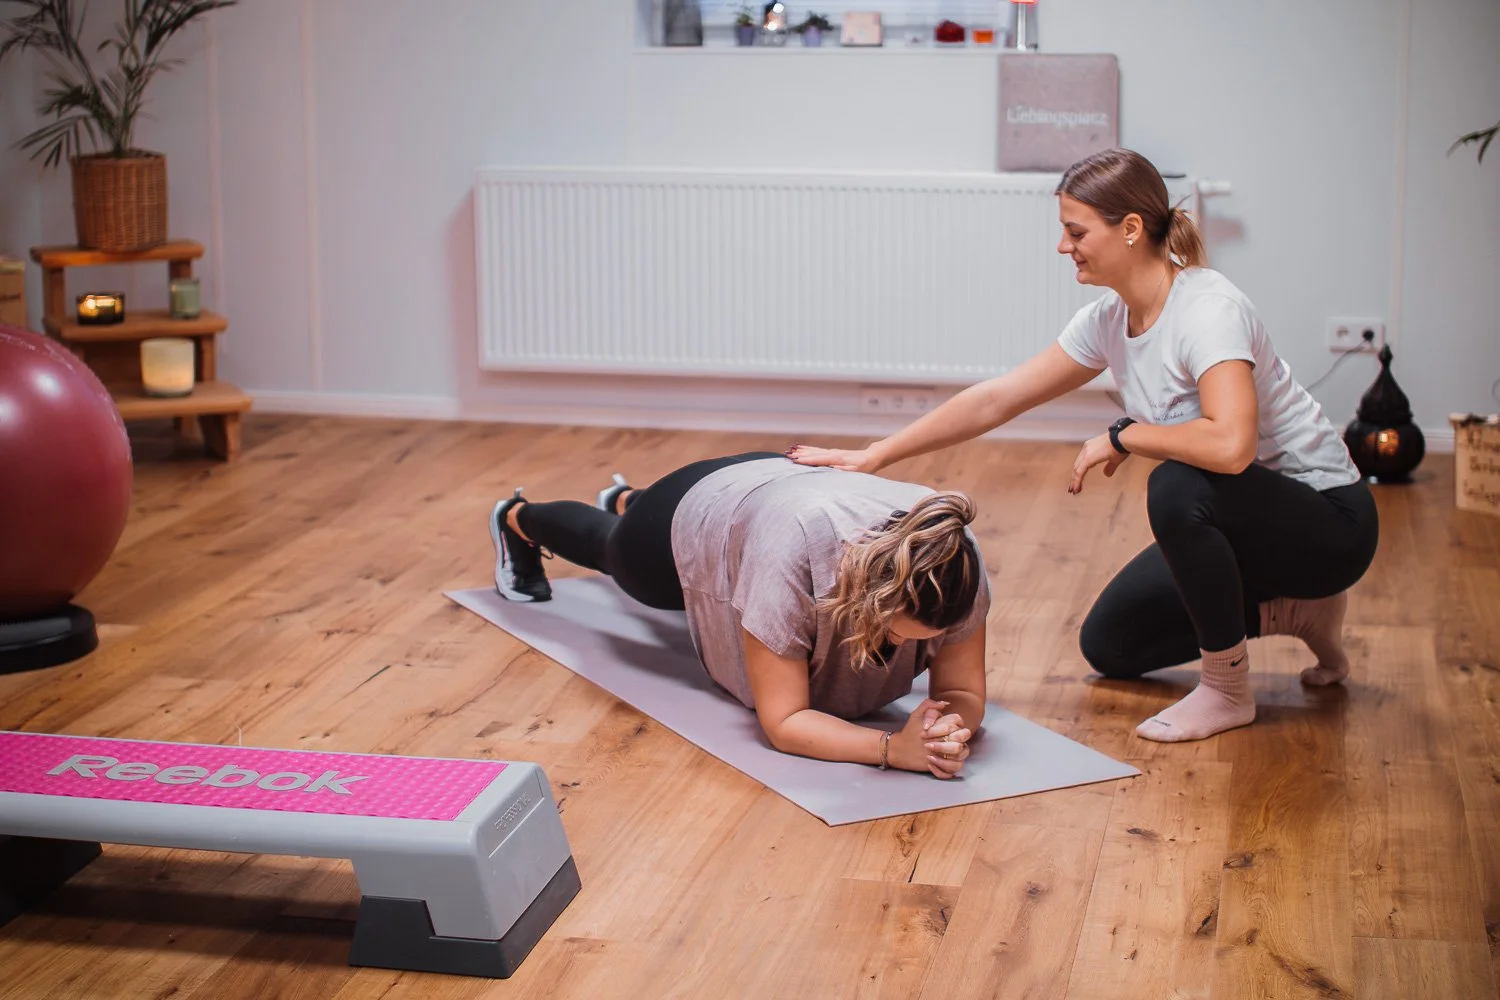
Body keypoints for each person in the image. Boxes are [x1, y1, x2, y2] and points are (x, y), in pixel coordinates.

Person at [788, 147, 1379, 744]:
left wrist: (1126, 435)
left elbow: (1231, 448)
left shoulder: (1208, 309)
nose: (1063, 246)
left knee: (1177, 483)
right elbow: (998, 398)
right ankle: (1301, 610)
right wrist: (874, 454)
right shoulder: (1108, 320)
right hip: (1253, 529)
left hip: (1330, 525)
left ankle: (1228, 690)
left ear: (1129, 230)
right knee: (1111, 644)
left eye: (1075, 231)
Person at [488, 452, 993, 777]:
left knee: (633, 525)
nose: (905, 654)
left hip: (775, 492)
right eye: (894, 635)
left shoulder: (954, 558)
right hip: (701, 502)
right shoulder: (794, 557)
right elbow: (785, 720)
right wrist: (890, 749)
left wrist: (944, 732)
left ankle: (626, 500)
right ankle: (517, 517)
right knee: (616, 553)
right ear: (865, 597)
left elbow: (963, 694)